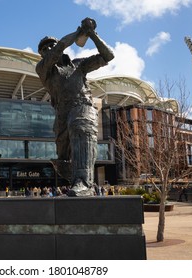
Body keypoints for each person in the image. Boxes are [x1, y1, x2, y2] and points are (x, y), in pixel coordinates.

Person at [36, 17, 114, 196]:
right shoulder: (43, 69)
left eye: (50, 45)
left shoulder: (79, 65)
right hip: (63, 113)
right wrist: (79, 33)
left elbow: (108, 56)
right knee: (63, 160)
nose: (48, 49)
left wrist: (92, 34)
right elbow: (60, 46)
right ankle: (78, 179)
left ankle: (84, 182)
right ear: (42, 55)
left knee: (81, 129)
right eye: (44, 49)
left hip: (82, 106)